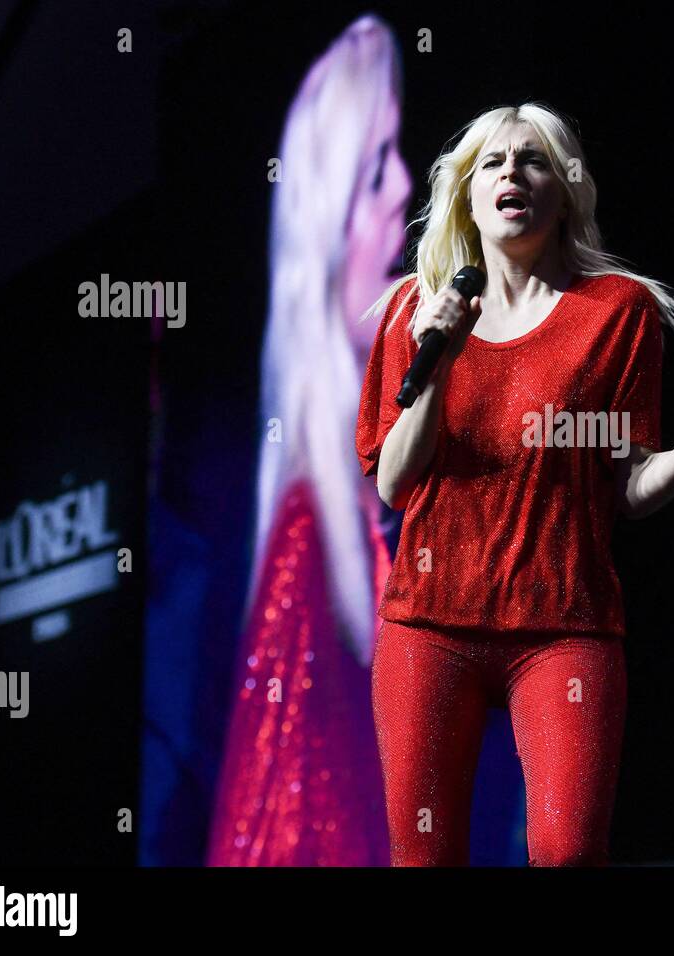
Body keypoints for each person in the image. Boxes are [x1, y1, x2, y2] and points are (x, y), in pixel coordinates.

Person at [354, 102, 674, 865]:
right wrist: (442, 357)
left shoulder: (617, 313)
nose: (512, 174)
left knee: (567, 853)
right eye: (492, 163)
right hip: (428, 628)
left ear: (567, 189)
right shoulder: (412, 314)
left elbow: (630, 487)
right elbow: (393, 482)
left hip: (563, 626)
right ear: (467, 194)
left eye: (534, 160)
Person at [206, 14, 410, 866]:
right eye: (372, 174)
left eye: (395, 155)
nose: (404, 185)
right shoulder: (310, 546)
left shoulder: (361, 525)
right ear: (327, 246)